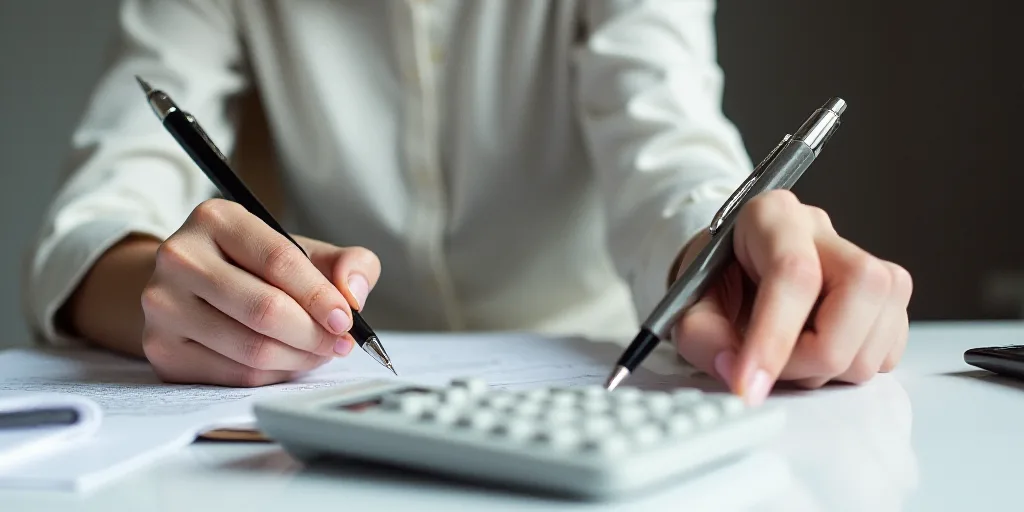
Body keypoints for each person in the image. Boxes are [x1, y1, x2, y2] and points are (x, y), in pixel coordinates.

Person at [23, 0, 912, 405]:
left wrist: (714, 260)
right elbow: (106, 204)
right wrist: (158, 283)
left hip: (604, 378)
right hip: (331, 384)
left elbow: (665, 140)